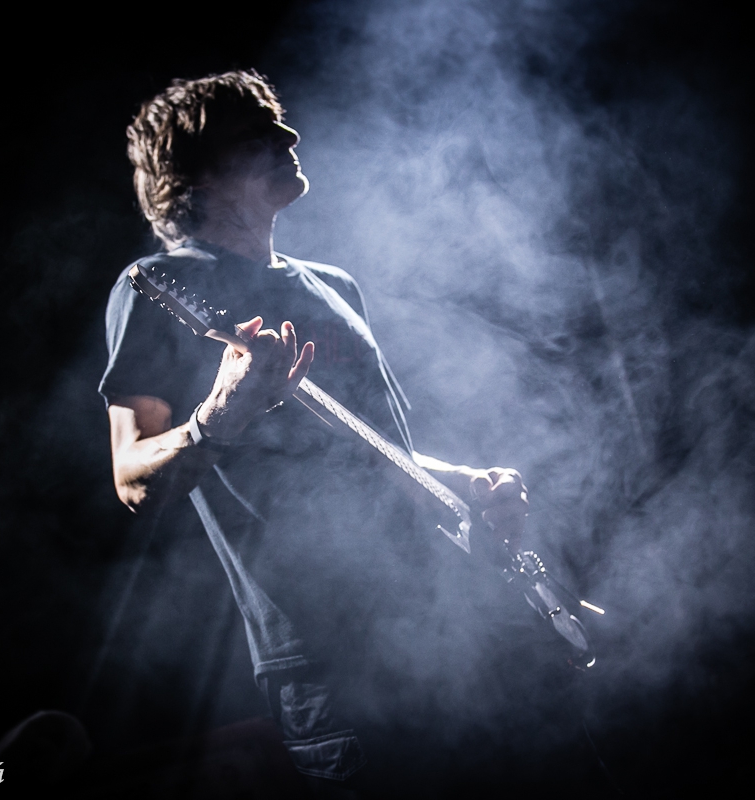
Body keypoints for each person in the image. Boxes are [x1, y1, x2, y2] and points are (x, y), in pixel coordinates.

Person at [100, 70, 529, 789]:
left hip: (451, 625)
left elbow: (375, 454)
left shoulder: (335, 283)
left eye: (281, 121)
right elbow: (130, 476)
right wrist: (216, 417)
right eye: (257, 132)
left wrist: (465, 484)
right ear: (197, 172)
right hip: (335, 659)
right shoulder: (157, 286)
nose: (290, 136)